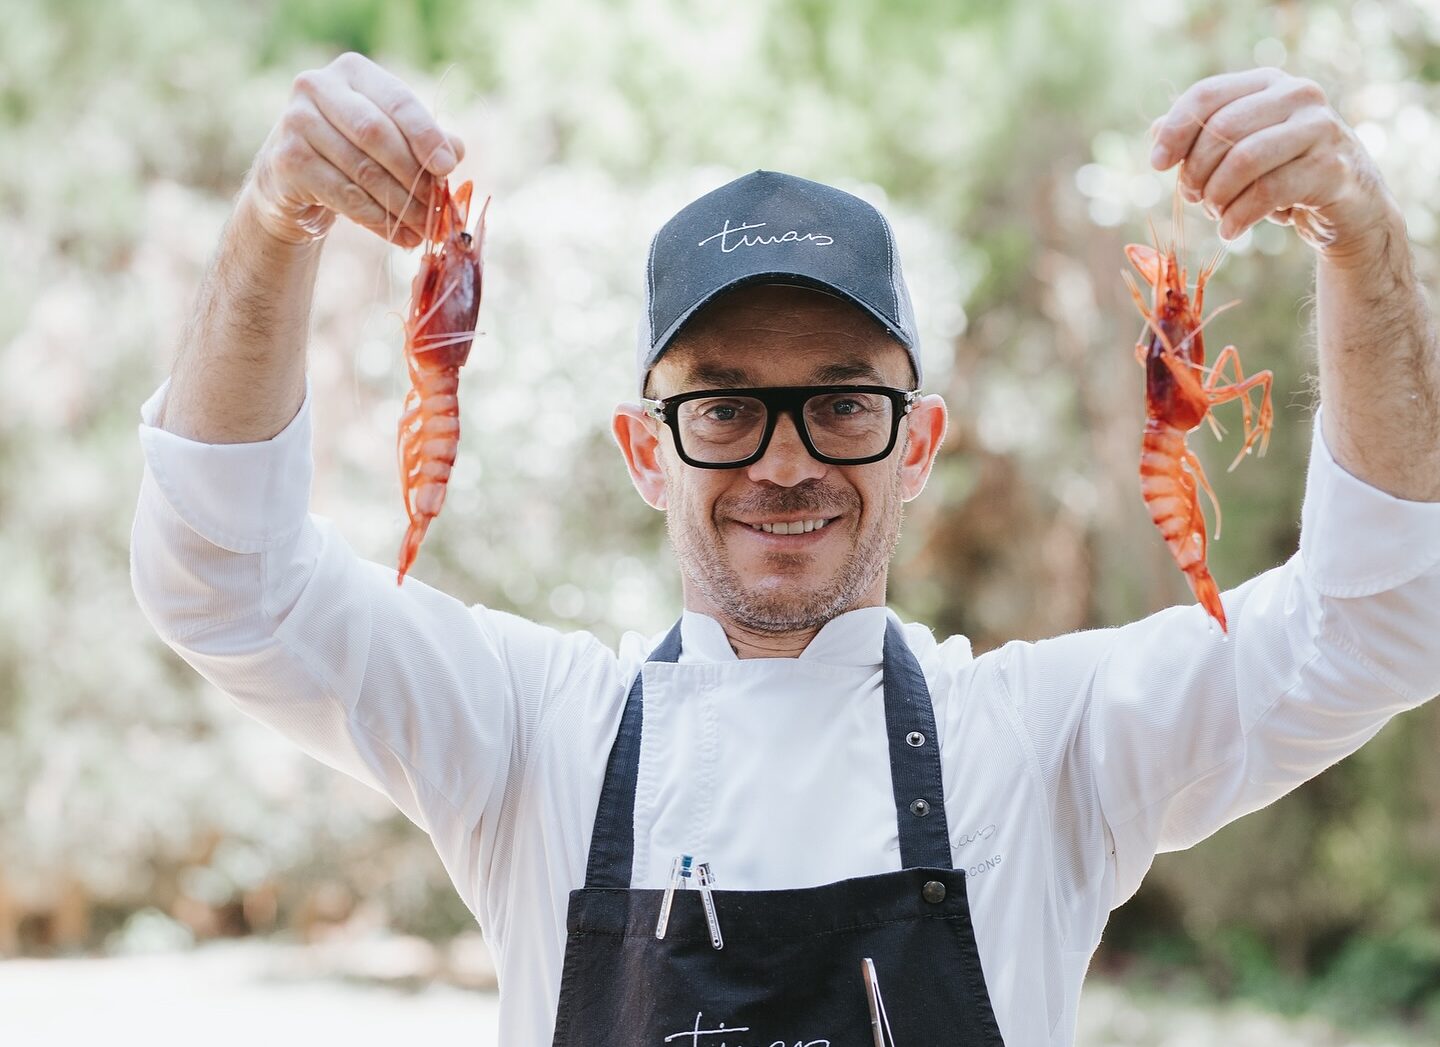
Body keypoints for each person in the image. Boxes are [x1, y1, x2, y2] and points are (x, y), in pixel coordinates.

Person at [131, 52, 1440, 1046]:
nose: (785, 458)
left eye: (842, 401)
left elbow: (1388, 618)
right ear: (647, 451)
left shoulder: (1046, 744)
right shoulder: (534, 737)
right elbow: (223, 580)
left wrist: (1365, 241)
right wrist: (273, 222)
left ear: (917, 444)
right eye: (722, 406)